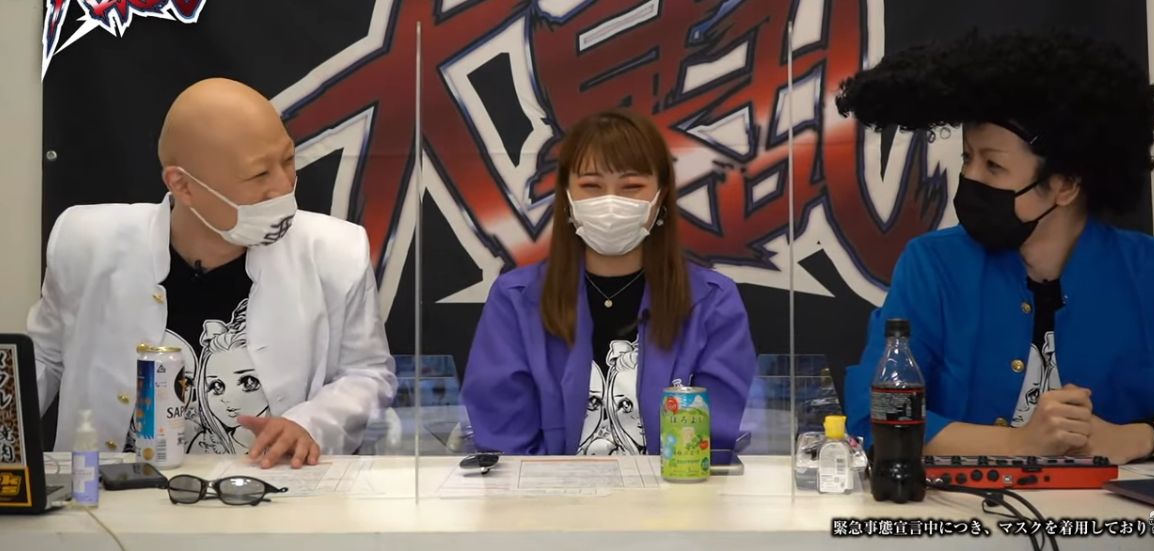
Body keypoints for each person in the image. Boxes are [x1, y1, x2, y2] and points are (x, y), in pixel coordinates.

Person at [837, 32, 1154, 465]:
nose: (971, 178)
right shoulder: (933, 266)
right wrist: (1021, 444)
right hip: (964, 509)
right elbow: (876, 413)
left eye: (993, 165)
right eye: (967, 158)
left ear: (1064, 185)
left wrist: (1142, 438)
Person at [29, 78, 397, 469]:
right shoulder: (87, 242)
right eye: (259, 174)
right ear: (183, 185)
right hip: (108, 494)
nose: (284, 185)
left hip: (267, 491)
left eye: (288, 160)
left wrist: (310, 424)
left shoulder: (336, 252)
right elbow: (41, 359)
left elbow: (368, 374)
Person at [461, 109, 757, 455]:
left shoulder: (711, 301)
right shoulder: (516, 300)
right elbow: (505, 440)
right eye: (591, 186)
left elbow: (714, 440)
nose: (611, 202)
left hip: (674, 489)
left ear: (661, 195)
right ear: (566, 196)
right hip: (544, 491)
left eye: (632, 187)